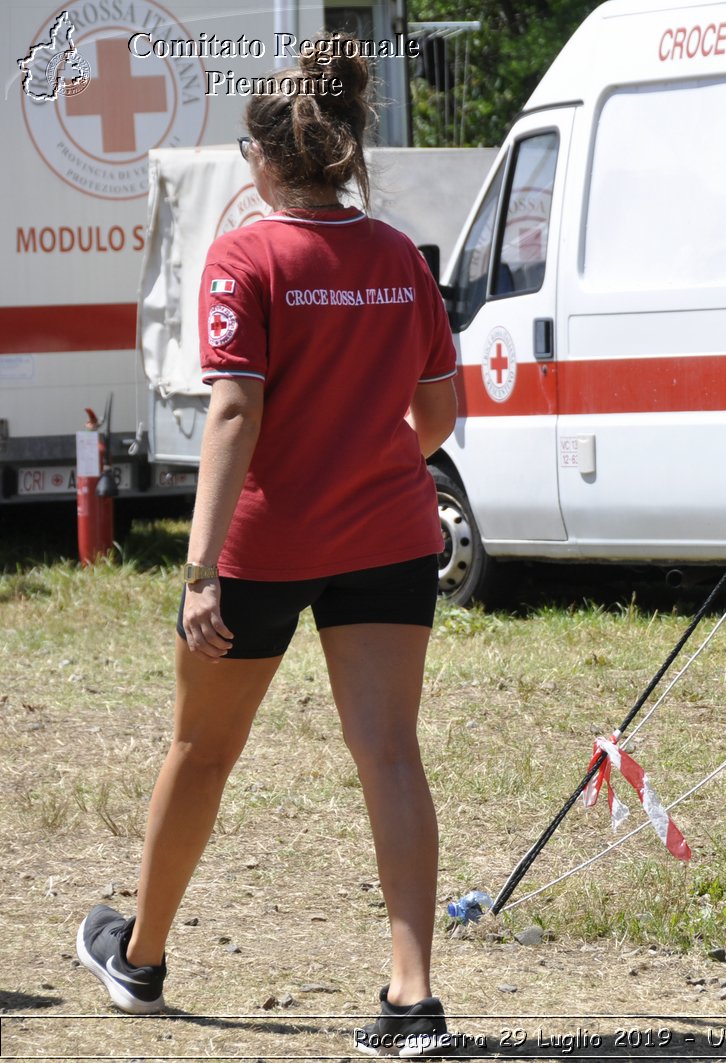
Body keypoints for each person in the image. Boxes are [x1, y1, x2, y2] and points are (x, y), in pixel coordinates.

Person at [73, 37, 460, 1058]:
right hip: (389, 535)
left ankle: (141, 958)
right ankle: (411, 998)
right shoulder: (397, 254)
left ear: (264, 156)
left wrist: (197, 567)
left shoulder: (246, 253)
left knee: (201, 750)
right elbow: (438, 414)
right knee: (389, 755)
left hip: (264, 544)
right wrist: (369, 460)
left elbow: (233, 412)